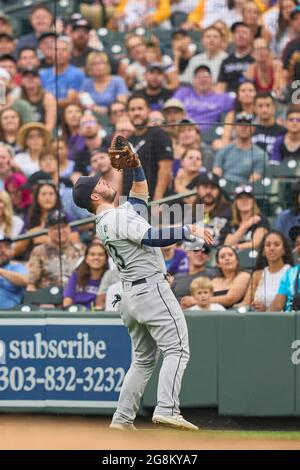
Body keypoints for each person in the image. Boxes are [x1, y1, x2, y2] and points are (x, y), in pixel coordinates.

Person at [72, 142, 214, 431]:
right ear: (95, 195)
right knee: (177, 350)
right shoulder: (116, 216)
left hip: (130, 295)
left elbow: (139, 200)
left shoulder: (106, 219)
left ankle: (122, 421)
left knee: (143, 361)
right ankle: (167, 408)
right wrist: (189, 229)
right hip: (150, 290)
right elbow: (152, 237)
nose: (107, 181)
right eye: (100, 182)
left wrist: (136, 166)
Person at [122, 93, 173, 201]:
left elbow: (165, 169)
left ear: (148, 111)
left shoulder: (159, 135)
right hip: (129, 204)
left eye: (140, 109)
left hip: (151, 202)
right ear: (128, 114)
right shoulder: (127, 141)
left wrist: (157, 201)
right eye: (132, 109)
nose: (136, 113)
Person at [27, 210, 85, 291]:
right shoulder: (39, 252)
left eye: (63, 227)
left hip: (76, 296)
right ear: (49, 231)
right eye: (55, 228)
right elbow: (31, 284)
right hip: (47, 297)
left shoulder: (81, 249)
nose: (60, 231)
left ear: (69, 228)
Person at [173, 65, 234, 132]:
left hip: (209, 134)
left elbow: (240, 104)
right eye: (199, 77)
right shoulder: (183, 92)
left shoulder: (222, 98)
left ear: (212, 79)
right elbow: (172, 108)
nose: (202, 80)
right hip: (183, 130)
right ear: (193, 80)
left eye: (206, 77)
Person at [242, 231, 293, 311]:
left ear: (284, 250)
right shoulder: (257, 274)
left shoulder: (291, 273)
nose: (272, 248)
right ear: (263, 251)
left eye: (276, 244)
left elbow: (289, 305)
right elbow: (245, 303)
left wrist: (266, 310)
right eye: (268, 245)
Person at [213, 112, 268, 183]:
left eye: (247, 125)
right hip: (225, 188)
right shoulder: (224, 151)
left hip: (247, 190)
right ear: (234, 127)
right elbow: (216, 174)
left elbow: (255, 181)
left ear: (253, 128)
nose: (243, 127)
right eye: (240, 124)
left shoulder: (260, 155)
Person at [40, 35, 85, 109]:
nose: (59, 53)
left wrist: (49, 102)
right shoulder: (43, 74)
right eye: (56, 50)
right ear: (51, 53)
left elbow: (70, 100)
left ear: (70, 54)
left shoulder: (76, 73)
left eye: (64, 50)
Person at [220, 184, 269, 250]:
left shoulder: (260, 219)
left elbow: (257, 243)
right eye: (240, 198)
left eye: (248, 197)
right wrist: (245, 226)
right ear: (236, 202)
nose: (244, 200)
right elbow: (227, 244)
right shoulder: (231, 221)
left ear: (253, 201)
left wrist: (236, 247)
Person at [189, 172, 232, 246]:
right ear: (198, 189)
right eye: (205, 187)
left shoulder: (229, 212)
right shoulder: (188, 212)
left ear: (219, 191)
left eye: (213, 188)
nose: (208, 191)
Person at [213, 80, 257, 151]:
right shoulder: (231, 115)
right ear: (238, 96)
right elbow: (225, 139)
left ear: (256, 94)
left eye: (250, 90)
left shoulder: (259, 114)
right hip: (235, 150)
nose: (247, 93)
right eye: (243, 91)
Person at [63, 242, 109, 309]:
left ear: (106, 260)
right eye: (92, 254)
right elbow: (67, 300)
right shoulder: (76, 276)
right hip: (77, 315)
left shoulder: (110, 278)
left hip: (99, 315)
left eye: (100, 255)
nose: (96, 257)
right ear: (86, 259)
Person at [216, 21, 254, 92]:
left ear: (251, 36)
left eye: (244, 33)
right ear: (233, 37)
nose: (240, 35)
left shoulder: (255, 59)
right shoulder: (226, 61)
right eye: (237, 33)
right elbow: (221, 86)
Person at [252, 92, 286, 159]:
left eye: (268, 105)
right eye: (260, 106)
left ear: (274, 108)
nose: (264, 110)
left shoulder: (284, 132)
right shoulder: (250, 131)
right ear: (254, 109)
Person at [0, 236, 28, 309]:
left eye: (7, 247)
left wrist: (1, 271)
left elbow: (25, 280)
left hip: (10, 315)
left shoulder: (16, 267)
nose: (3, 250)